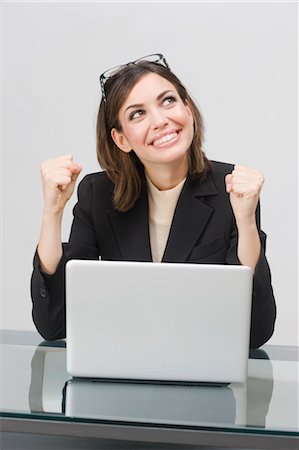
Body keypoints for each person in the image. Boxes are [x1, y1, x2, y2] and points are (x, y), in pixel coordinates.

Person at [31, 53, 276, 348]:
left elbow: (255, 333)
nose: (161, 120)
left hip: (201, 372)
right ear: (121, 139)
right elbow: (54, 324)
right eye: (137, 113)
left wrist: (246, 220)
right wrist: (52, 212)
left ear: (187, 109)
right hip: (121, 373)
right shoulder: (98, 194)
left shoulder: (232, 189)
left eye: (168, 101)